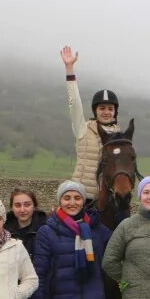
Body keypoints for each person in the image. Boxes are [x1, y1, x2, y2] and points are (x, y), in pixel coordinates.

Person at [60, 45, 123, 205]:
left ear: (115, 112)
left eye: (110, 108)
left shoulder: (120, 138)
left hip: (108, 200)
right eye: (102, 108)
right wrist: (70, 69)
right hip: (82, 197)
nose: (106, 112)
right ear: (95, 111)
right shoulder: (83, 128)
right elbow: (74, 103)